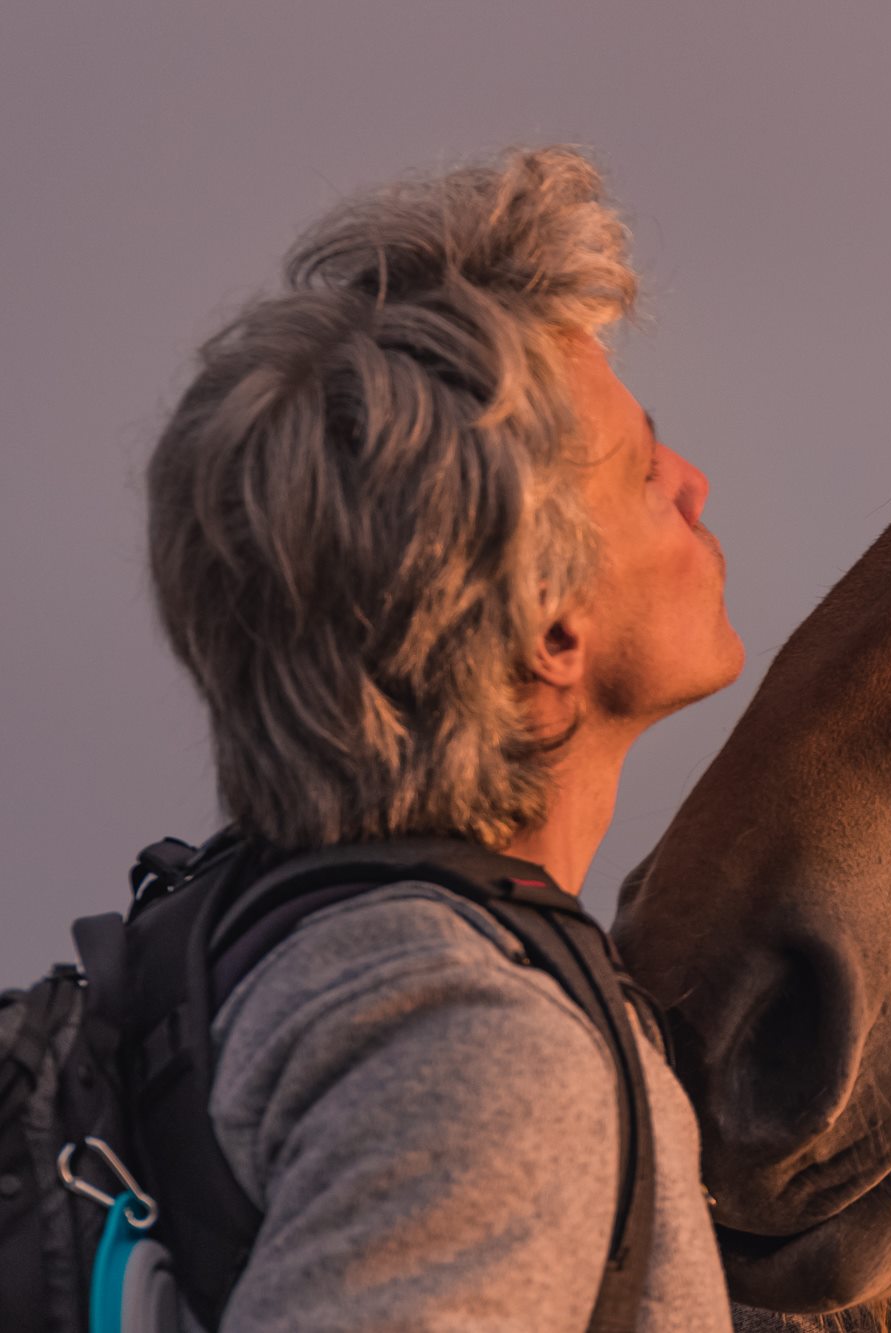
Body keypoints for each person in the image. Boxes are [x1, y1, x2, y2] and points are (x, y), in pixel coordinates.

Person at [144, 146, 741, 1331]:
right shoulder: (484, 1060)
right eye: (636, 469)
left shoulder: (248, 959)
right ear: (545, 636)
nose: (694, 485)